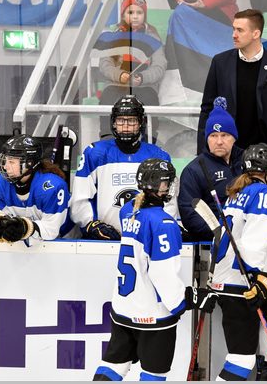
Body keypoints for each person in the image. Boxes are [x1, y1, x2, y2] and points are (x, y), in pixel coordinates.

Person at [93, 158, 217, 381]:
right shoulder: (164, 224)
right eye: (167, 182)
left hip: (123, 309)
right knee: (154, 375)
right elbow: (162, 274)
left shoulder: (128, 210)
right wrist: (189, 298)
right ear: (162, 186)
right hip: (152, 316)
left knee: (113, 365)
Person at [211, 143, 267, 381]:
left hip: (226, 278)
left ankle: (266, 371)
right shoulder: (266, 194)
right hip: (241, 284)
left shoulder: (238, 193)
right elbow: (252, 246)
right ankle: (261, 369)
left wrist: (266, 272)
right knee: (241, 360)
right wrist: (260, 276)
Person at [179, 97, 267, 241]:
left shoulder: (249, 162)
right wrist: (224, 234)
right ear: (207, 138)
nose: (219, 141)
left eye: (224, 135)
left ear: (234, 137)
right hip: (216, 245)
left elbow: (263, 202)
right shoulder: (194, 170)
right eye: (213, 136)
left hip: (250, 241)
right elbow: (190, 216)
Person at [70, 95, 176, 240]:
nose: (125, 126)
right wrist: (91, 224)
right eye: (121, 120)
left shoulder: (158, 156)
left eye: (131, 120)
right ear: (113, 123)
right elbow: (79, 198)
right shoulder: (95, 153)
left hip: (144, 239)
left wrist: (160, 227)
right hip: (103, 241)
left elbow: (168, 202)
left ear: (141, 123)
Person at [198, 9, 267, 162]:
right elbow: (207, 109)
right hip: (225, 154)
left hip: (263, 156)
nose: (234, 35)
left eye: (240, 30)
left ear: (255, 34)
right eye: (233, 29)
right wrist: (204, 151)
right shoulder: (220, 62)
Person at [0, 134, 76, 244]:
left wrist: (26, 227)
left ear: (29, 163)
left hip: (66, 243)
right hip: (20, 248)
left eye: (11, 162)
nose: (5, 166)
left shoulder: (52, 186)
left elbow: (51, 230)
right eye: (5, 161)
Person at [99, 0, 166, 108]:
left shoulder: (153, 38)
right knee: (108, 101)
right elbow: (105, 65)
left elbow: (159, 66)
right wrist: (119, 75)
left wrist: (142, 78)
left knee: (150, 101)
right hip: (115, 84)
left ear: (144, 15)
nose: (135, 17)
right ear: (123, 15)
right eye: (130, 12)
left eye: (139, 13)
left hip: (145, 86)